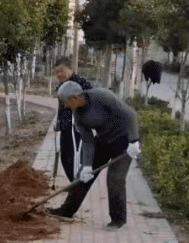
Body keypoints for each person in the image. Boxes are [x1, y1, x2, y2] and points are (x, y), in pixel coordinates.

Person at [47, 82, 141, 231]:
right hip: (104, 141)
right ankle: (67, 210)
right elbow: (88, 140)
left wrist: (134, 141)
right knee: (83, 175)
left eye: (65, 102)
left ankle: (118, 220)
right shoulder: (78, 113)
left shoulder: (102, 96)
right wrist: (87, 166)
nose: (65, 106)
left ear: (75, 97)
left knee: (115, 179)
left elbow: (130, 115)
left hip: (124, 142)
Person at [53, 57, 93, 183]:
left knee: (76, 155)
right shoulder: (62, 85)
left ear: (70, 69)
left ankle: (76, 182)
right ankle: (74, 181)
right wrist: (59, 124)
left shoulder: (81, 82)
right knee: (65, 156)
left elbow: (92, 99)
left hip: (77, 126)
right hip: (66, 126)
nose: (59, 74)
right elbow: (61, 107)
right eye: (57, 72)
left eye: (62, 70)